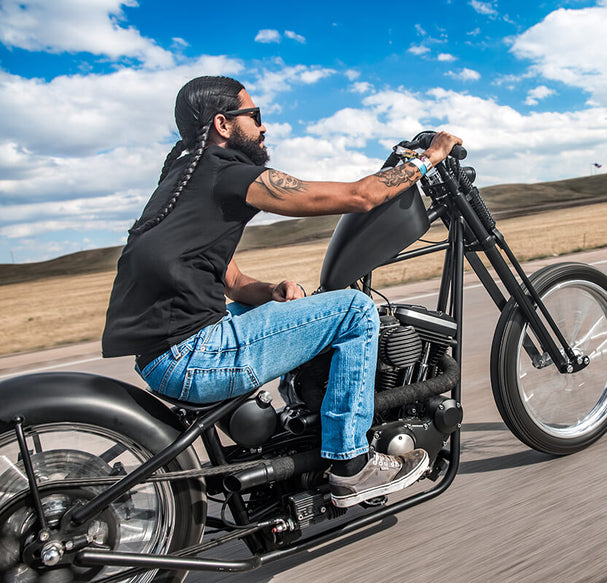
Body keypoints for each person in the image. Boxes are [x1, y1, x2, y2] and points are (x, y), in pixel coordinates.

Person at [102, 75, 462, 508]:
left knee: (313, 311)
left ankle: (304, 423)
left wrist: (270, 290)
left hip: (163, 357)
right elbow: (360, 196)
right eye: (254, 115)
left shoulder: (182, 180)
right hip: (194, 356)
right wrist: (428, 158)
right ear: (222, 124)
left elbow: (231, 281)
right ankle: (351, 464)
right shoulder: (228, 174)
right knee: (354, 310)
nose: (263, 126)